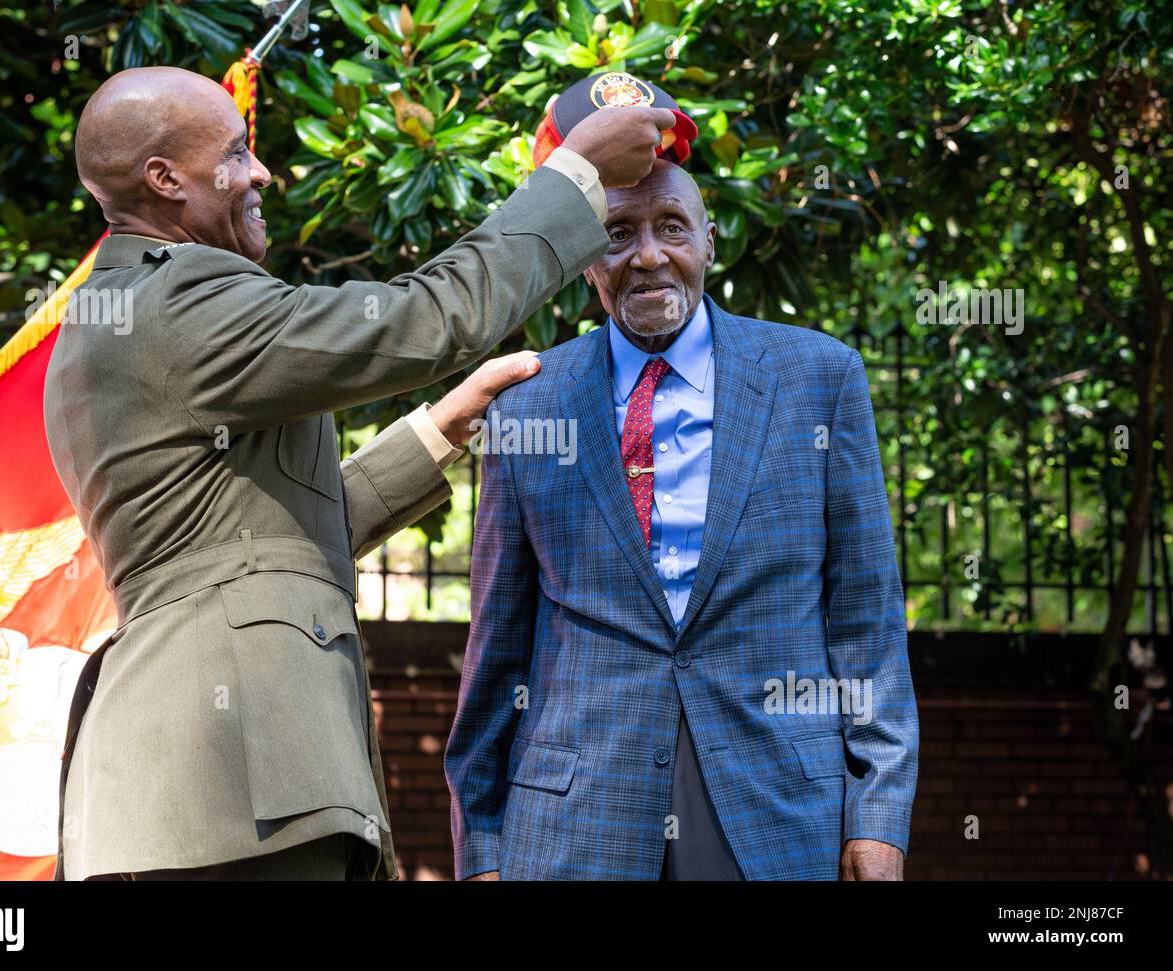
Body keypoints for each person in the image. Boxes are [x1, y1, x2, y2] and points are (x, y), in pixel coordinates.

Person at [44, 65, 675, 880]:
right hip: (233, 783)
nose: (261, 171)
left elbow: (268, 542)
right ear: (165, 180)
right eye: (237, 154)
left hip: (192, 794)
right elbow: (427, 317)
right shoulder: (180, 300)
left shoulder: (125, 310)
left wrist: (439, 428)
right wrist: (577, 176)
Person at [445, 142, 920, 880]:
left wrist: (880, 816)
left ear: (708, 239)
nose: (648, 256)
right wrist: (481, 848)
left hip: (779, 814)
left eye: (671, 225)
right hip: (574, 825)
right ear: (585, 259)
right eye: (617, 233)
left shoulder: (820, 379)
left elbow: (867, 623)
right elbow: (496, 644)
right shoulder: (527, 407)